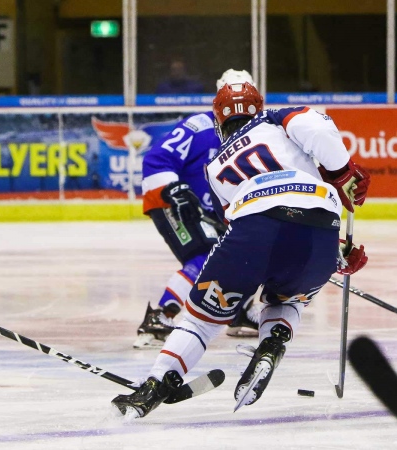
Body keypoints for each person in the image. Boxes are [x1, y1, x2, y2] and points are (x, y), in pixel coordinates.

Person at [112, 82, 370, 418]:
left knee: (202, 321)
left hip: (253, 228)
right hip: (320, 231)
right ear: (258, 108)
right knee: (288, 299)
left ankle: (155, 385)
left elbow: (247, 226)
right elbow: (316, 128)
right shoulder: (277, 120)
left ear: (219, 120)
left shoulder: (215, 166)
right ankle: (272, 342)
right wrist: (341, 172)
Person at [134, 69, 261, 349]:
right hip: (173, 201)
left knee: (245, 254)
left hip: (210, 212)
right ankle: (162, 315)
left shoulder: (259, 134)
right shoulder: (199, 126)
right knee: (204, 258)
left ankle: (239, 311)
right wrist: (175, 190)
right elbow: (156, 161)